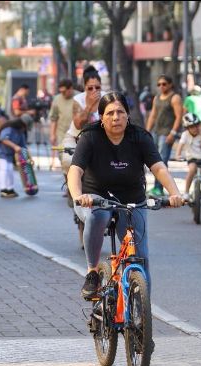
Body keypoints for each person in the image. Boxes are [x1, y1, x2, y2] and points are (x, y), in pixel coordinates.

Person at [68, 92, 184, 299]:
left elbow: (159, 168)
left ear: (128, 115)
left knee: (140, 258)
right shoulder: (90, 137)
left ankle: (140, 309)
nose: (116, 117)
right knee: (99, 216)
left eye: (120, 112)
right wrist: (78, 195)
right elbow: (75, 170)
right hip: (95, 197)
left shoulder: (139, 137)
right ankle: (92, 272)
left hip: (132, 199)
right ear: (101, 118)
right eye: (110, 113)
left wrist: (174, 194)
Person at [59, 66, 106, 178]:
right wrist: (89, 106)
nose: (94, 91)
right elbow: (78, 124)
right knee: (68, 161)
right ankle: (71, 185)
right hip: (75, 137)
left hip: (99, 139)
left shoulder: (107, 98)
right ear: (85, 88)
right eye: (90, 88)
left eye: (97, 87)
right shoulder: (78, 99)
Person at [145, 75, 183, 197]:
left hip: (167, 132)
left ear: (170, 84)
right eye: (159, 84)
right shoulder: (157, 98)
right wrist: (146, 131)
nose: (161, 86)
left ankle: (158, 188)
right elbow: (153, 115)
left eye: (164, 84)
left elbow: (179, 117)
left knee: (162, 161)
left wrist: (173, 133)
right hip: (156, 131)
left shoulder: (175, 98)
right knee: (154, 160)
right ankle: (156, 187)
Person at [174, 112, 201, 208]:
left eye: (196, 126)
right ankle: (186, 192)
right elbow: (180, 145)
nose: (194, 129)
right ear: (187, 127)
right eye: (191, 127)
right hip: (192, 158)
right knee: (192, 169)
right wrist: (177, 155)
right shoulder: (185, 135)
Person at [0, 115, 32, 198]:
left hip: (8, 154)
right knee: (5, 168)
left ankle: (10, 189)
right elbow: (3, 139)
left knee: (10, 168)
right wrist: (15, 146)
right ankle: (3, 190)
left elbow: (23, 146)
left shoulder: (20, 131)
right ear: (22, 124)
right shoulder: (9, 128)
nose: (25, 129)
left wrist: (28, 157)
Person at [49, 79, 76, 174]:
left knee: (75, 160)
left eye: (64, 92)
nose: (62, 94)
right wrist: (52, 134)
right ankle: (68, 181)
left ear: (71, 89)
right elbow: (54, 118)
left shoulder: (79, 97)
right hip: (62, 134)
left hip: (77, 134)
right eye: (61, 92)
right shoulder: (57, 99)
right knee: (63, 159)